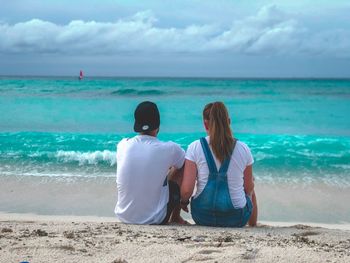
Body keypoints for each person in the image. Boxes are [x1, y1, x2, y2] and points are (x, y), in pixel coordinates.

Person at [180, 102, 258, 227]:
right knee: (251, 183)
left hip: (202, 217)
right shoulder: (243, 148)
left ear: (205, 124)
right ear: (229, 121)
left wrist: (183, 202)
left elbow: (186, 191)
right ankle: (253, 225)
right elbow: (248, 189)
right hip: (236, 219)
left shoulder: (195, 147)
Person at [115, 101, 186, 225]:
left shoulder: (123, 145)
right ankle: (175, 216)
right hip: (156, 219)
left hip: (124, 216)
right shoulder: (169, 149)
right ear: (158, 125)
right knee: (182, 166)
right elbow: (185, 164)